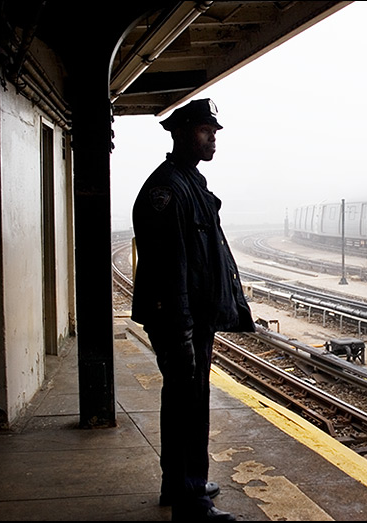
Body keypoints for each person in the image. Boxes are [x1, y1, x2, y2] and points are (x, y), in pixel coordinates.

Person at [131, 98, 255, 521]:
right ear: (179, 133)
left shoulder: (189, 182)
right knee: (188, 404)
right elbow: (169, 267)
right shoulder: (167, 189)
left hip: (192, 318)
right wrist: (182, 330)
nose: (213, 138)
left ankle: (181, 483)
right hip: (179, 319)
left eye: (214, 131)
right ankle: (192, 502)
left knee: (188, 399)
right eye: (205, 131)